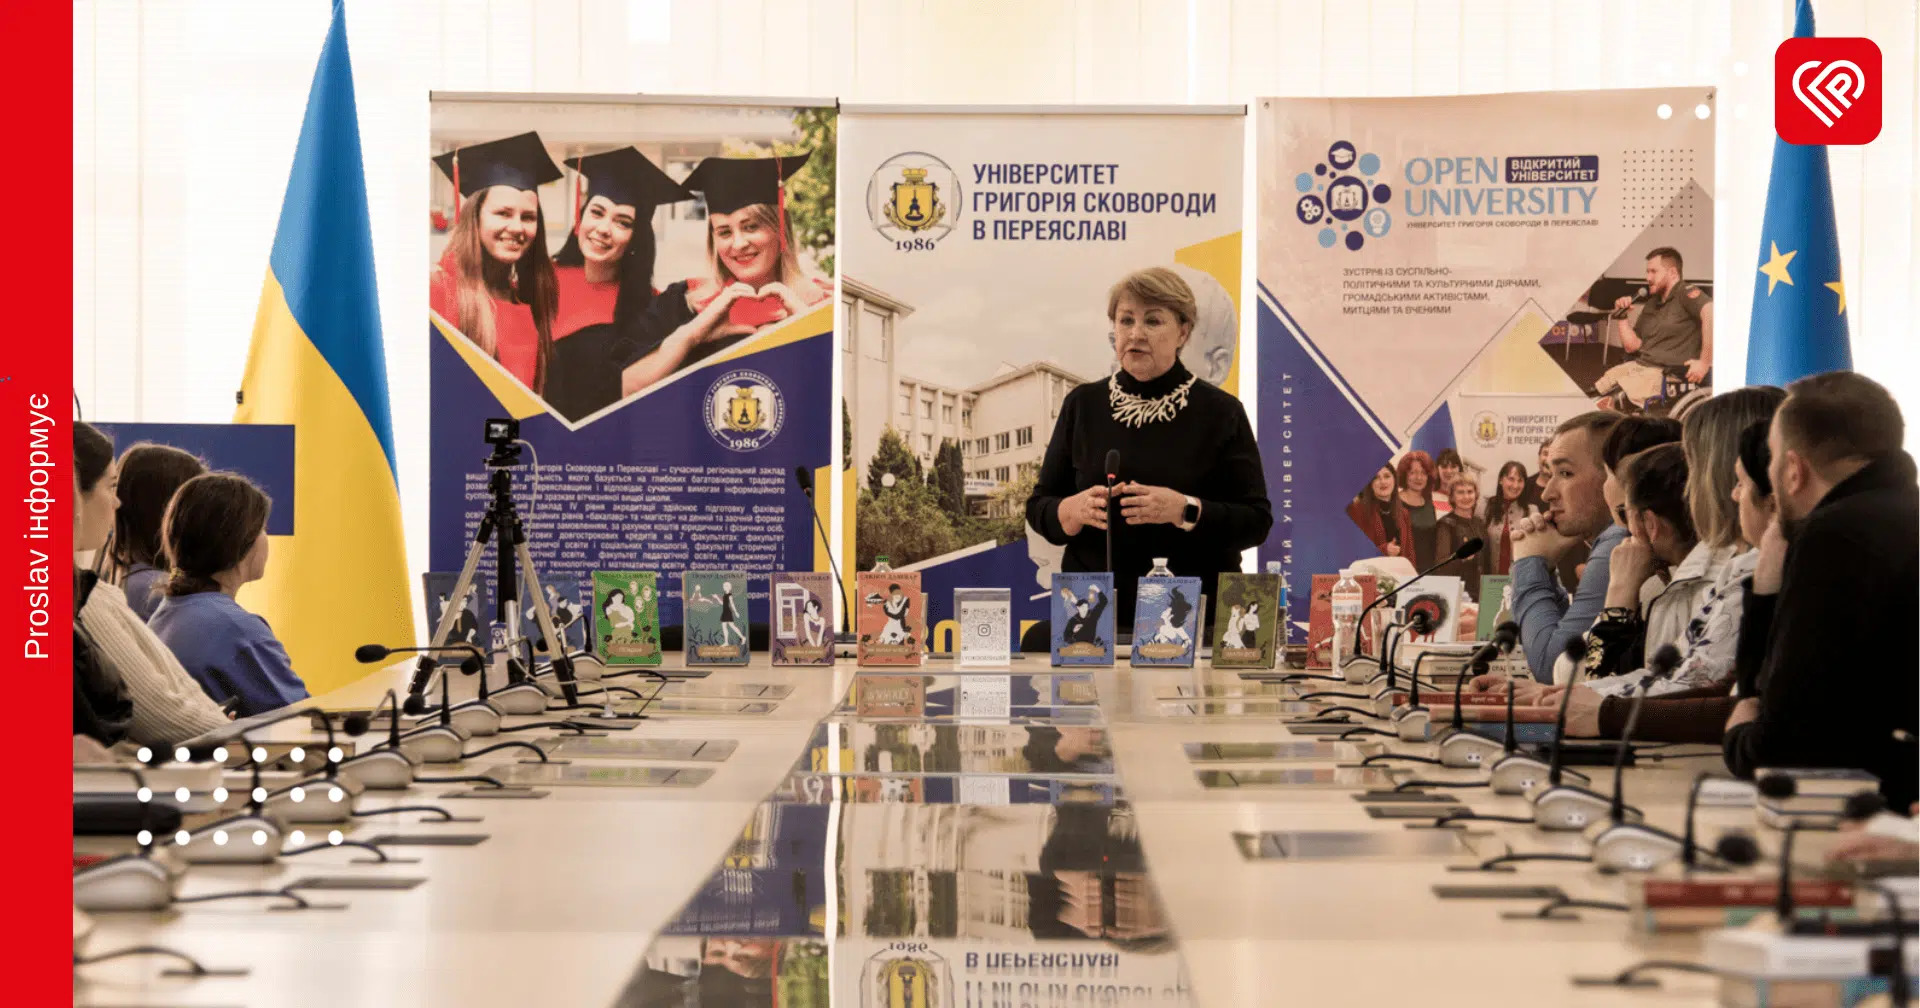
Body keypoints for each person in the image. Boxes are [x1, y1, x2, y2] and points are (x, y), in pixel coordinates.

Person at [1027, 267, 1271, 627]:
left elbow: (1256, 521)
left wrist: (1184, 509)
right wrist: (1072, 510)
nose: (1135, 333)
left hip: (1190, 616)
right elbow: (1039, 507)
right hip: (1092, 617)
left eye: (1153, 321)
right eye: (1126, 320)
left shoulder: (1221, 412)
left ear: (1183, 332)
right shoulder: (1082, 404)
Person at [1724, 372, 1917, 810]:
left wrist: (1737, 737)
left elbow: (1780, 748)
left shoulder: (1835, 535)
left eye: (1773, 459)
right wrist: (1768, 585)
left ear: (1793, 471)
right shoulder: (1900, 514)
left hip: (1879, 816)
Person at [615, 153, 833, 396]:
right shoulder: (682, 302)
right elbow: (623, 388)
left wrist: (807, 326)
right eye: (724, 232)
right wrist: (692, 335)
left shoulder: (822, 305)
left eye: (751, 227)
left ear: (780, 229)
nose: (738, 244)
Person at [72, 424, 230, 745]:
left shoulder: (102, 589)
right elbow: (162, 717)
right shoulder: (87, 599)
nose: (117, 503)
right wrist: (232, 731)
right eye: (110, 487)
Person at [541, 147, 693, 420]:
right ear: (580, 219)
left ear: (636, 239)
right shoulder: (541, 281)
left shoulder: (650, 307)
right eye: (597, 212)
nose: (603, 229)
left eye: (622, 223)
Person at [148, 474, 309, 716]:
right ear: (239, 540)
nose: (266, 538)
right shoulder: (237, 631)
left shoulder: (167, 612)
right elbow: (303, 719)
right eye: (262, 529)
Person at [430, 132, 563, 395]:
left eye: (528, 217)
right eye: (503, 213)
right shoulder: (438, 291)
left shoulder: (527, 301)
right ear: (475, 217)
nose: (517, 227)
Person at [1507, 412, 1625, 682]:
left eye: (1565, 473)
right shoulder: (1613, 538)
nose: (1547, 493)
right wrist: (1545, 569)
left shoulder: (1618, 540)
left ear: (1614, 476)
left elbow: (1552, 669)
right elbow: (1567, 648)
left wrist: (1529, 561)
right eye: (1551, 474)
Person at [97, 442, 206, 622]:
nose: (204, 518)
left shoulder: (125, 577)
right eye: (196, 505)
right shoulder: (158, 593)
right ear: (166, 511)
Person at [1597, 247, 1713, 409]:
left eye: (1653, 272)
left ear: (1672, 273)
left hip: (1665, 374)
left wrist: (1704, 362)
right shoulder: (1652, 303)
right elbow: (1632, 346)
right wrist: (1622, 317)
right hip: (1639, 366)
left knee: (1610, 403)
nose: (1648, 278)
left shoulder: (1685, 292)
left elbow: (1710, 311)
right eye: (1647, 272)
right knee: (1597, 392)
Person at [1433, 478, 1491, 600]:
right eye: (1460, 492)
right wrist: (1462, 558)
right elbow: (1440, 566)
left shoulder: (1479, 523)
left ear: (1476, 495)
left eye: (1470, 492)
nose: (1466, 497)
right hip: (1457, 593)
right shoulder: (1445, 524)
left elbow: (1486, 560)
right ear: (1452, 497)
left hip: (1480, 592)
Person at [1348, 464, 1411, 559]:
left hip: (1399, 568)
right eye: (1376, 478)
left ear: (1394, 479)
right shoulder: (1357, 510)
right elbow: (1353, 551)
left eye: (1387, 476)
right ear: (1370, 483)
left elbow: (1410, 553)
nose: (1383, 482)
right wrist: (1384, 550)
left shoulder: (1404, 513)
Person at [1485, 460, 1534, 576]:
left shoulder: (1532, 511)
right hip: (1490, 580)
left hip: (1520, 579)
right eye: (1511, 479)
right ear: (1501, 480)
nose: (1515, 485)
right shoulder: (1485, 507)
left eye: (1520, 480)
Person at [1393, 451, 1440, 567]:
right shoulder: (1394, 503)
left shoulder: (1430, 505)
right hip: (1402, 569)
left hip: (1428, 570)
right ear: (1405, 475)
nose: (1418, 478)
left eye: (1423, 473)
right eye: (1413, 473)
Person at [1433, 448, 1465, 514]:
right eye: (1444, 466)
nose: (1449, 471)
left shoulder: (1466, 498)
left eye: (1453, 467)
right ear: (1437, 469)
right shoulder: (1427, 497)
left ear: (1459, 469)